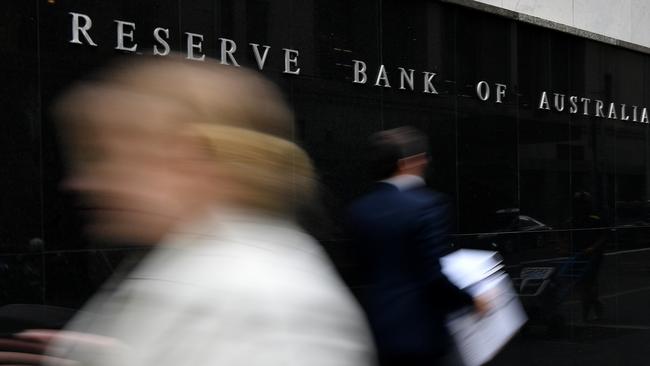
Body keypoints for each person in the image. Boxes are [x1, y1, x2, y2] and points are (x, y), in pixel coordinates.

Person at [29, 56, 375, 366]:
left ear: (187, 155)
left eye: (105, 155)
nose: (80, 183)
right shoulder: (202, 262)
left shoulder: (257, 296)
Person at [346, 127, 488, 366]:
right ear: (406, 163)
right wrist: (471, 301)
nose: (425, 162)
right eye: (422, 156)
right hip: (420, 334)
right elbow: (431, 276)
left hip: (374, 331)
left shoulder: (358, 210)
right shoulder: (427, 205)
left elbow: (359, 271)